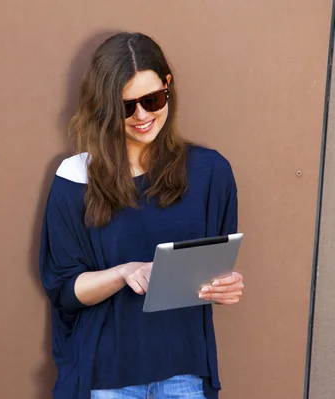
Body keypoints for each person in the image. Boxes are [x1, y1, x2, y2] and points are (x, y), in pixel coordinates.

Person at [39, 32, 245, 399]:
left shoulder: (210, 173)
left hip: (185, 371)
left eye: (153, 99)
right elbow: (65, 290)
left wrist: (224, 284)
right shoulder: (76, 178)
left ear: (169, 86)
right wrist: (123, 272)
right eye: (126, 106)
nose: (142, 115)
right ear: (103, 107)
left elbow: (209, 269)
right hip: (106, 378)